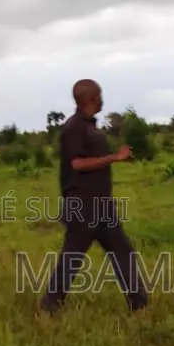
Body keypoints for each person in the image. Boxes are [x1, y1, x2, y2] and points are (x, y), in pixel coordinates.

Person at [39, 79, 149, 315]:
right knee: (71, 259)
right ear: (91, 98)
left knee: (122, 252)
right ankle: (49, 308)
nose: (102, 99)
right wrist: (114, 158)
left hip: (101, 206)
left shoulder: (90, 126)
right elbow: (77, 163)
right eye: (99, 95)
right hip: (82, 207)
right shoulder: (74, 128)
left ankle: (140, 305)